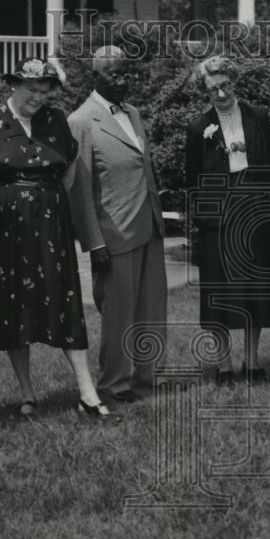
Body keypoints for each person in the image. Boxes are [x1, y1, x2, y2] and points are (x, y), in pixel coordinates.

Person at [0, 57, 115, 421]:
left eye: (44, 92)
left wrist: (42, 199)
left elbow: (66, 173)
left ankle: (87, 393)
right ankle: (27, 394)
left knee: (64, 302)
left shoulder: (56, 120)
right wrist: (4, 205)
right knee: (13, 306)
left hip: (50, 224)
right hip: (3, 229)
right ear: (12, 85)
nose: (38, 97)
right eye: (31, 90)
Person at [65, 46, 167, 405]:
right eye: (116, 75)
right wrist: (94, 243)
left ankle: (148, 375)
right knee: (118, 313)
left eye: (128, 74)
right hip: (113, 233)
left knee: (152, 308)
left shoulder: (134, 113)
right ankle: (114, 384)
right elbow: (79, 190)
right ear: (96, 77)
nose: (124, 82)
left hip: (148, 224)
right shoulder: (80, 121)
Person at [185, 55, 270, 382]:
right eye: (213, 89)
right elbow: (193, 181)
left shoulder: (258, 117)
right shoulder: (198, 127)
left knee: (256, 290)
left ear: (234, 81)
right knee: (220, 293)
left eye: (225, 85)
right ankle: (225, 366)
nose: (221, 94)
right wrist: (205, 218)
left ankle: (253, 362)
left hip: (256, 214)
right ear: (205, 90)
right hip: (218, 222)